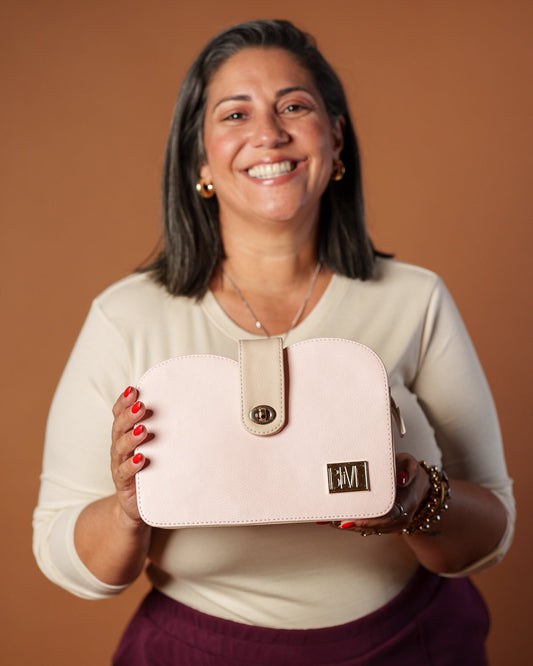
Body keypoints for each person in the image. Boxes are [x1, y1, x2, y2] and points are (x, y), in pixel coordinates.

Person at [33, 19, 514, 665]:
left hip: (410, 645)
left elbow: (489, 532)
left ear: (334, 138)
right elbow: (64, 554)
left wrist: (416, 501)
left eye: (294, 106)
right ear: (200, 159)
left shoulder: (415, 298)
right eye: (235, 113)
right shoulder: (125, 318)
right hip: (198, 652)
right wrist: (128, 511)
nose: (268, 133)